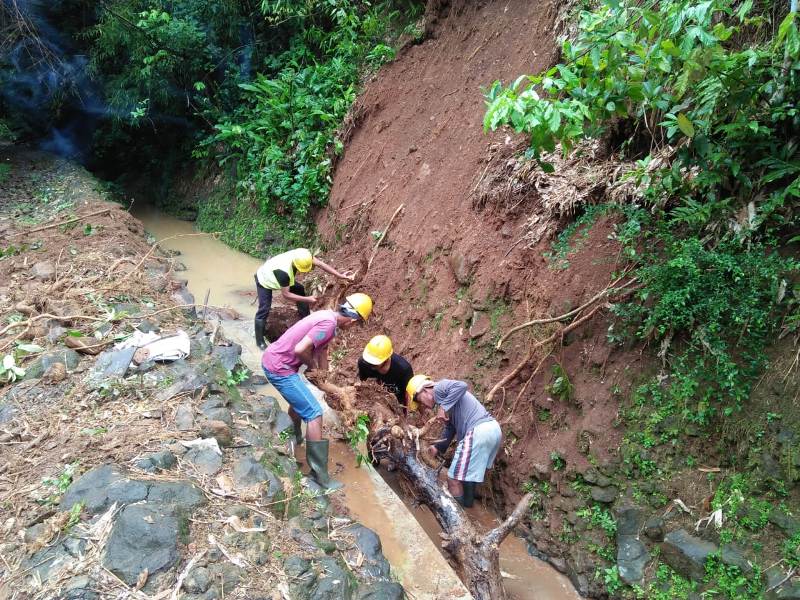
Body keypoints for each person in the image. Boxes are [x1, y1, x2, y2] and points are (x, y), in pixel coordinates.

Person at [262, 293, 373, 490]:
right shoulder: (328, 325)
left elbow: (322, 350)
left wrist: (324, 379)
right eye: (356, 324)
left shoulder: (328, 318)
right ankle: (319, 476)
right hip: (279, 367)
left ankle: (295, 440)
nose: (353, 328)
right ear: (353, 319)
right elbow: (300, 349)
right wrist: (312, 366)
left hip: (277, 362)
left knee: (301, 402)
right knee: (314, 413)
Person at [406, 376, 502, 507]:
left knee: (453, 479)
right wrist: (437, 448)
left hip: (478, 431)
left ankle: (459, 513)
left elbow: (462, 385)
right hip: (493, 429)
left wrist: (443, 408)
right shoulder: (446, 399)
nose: (423, 405)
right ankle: (468, 504)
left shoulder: (439, 388)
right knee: (469, 475)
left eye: (419, 401)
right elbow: (451, 428)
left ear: (425, 390)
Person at [254, 248, 353, 349]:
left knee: (299, 289)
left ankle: (305, 318)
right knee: (264, 309)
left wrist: (340, 275)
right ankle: (260, 342)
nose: (312, 268)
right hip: (264, 280)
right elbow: (286, 295)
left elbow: (321, 264)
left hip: (276, 273)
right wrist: (308, 299)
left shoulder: (303, 256)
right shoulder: (284, 273)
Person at [358, 335, 414, 407]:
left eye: (374, 362)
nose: (370, 364)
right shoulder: (363, 363)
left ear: (386, 359)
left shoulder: (404, 370)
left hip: (397, 405)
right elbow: (363, 386)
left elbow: (408, 396)